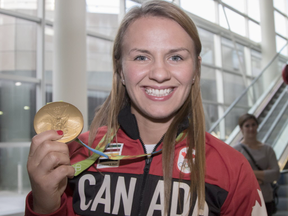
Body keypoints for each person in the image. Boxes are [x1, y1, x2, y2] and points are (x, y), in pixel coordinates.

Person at [25, 1, 267, 216]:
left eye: (176, 57)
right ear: (120, 70)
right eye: (141, 57)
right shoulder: (76, 156)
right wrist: (44, 208)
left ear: (195, 70)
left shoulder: (232, 169)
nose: (159, 74)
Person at [234, 113, 280, 216]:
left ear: (257, 126)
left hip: (265, 197)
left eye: (253, 124)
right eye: (247, 125)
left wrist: (249, 173)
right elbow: (235, 176)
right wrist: (264, 176)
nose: (251, 128)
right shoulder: (235, 151)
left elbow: (275, 173)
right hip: (245, 199)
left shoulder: (268, 149)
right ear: (241, 128)